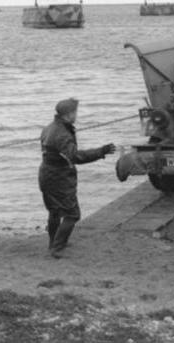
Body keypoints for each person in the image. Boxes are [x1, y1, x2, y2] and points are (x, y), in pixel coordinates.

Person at [39, 98, 115, 258]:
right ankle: (57, 248)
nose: (76, 115)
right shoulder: (62, 134)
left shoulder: (48, 128)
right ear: (68, 115)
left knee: (54, 211)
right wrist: (101, 151)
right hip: (58, 177)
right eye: (75, 112)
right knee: (72, 214)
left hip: (46, 173)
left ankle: (53, 243)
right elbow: (76, 157)